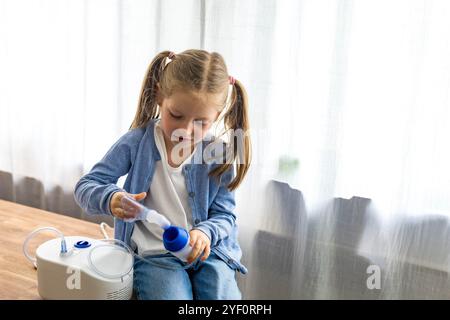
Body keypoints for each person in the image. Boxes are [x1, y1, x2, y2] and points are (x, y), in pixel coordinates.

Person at [74, 49, 251, 300]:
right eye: (176, 115)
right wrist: (111, 198)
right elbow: (86, 185)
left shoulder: (218, 153)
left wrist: (204, 233)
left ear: (217, 116)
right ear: (159, 96)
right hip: (155, 254)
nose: (186, 130)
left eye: (201, 122)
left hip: (209, 253)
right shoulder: (137, 143)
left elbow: (225, 215)